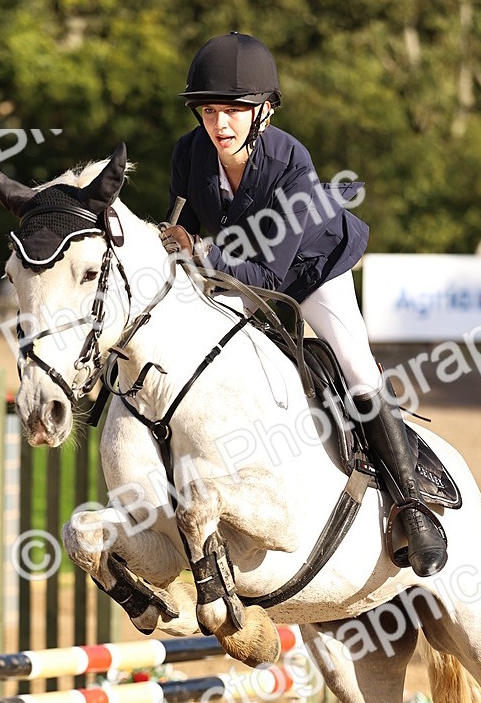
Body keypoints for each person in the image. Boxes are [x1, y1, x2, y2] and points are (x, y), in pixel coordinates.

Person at [160, 31, 446, 577]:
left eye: (234, 111)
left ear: (264, 111)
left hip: (313, 268)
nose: (220, 124)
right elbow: (184, 232)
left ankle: (412, 505)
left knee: (356, 365)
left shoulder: (290, 162)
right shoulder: (188, 153)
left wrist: (200, 253)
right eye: (210, 111)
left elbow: (270, 276)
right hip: (238, 267)